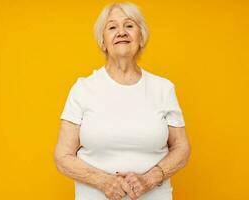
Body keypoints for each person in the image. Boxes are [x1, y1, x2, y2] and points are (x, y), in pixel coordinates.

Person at [54, 2, 191, 200]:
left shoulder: (163, 89)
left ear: (141, 38)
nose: (121, 32)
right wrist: (104, 182)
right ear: (103, 42)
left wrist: (149, 179)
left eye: (129, 25)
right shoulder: (83, 89)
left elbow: (182, 148)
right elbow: (62, 156)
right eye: (112, 27)